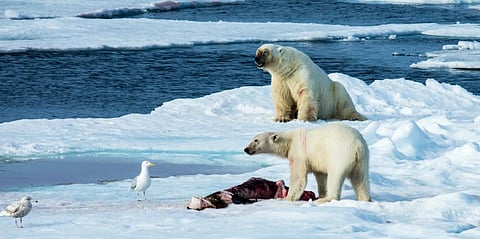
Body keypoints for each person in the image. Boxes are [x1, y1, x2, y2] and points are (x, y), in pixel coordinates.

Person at [187, 177, 316, 210]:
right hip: (257, 186)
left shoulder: (218, 197)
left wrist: (247, 203)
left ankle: (309, 195)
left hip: (259, 188)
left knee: (289, 193)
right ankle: (307, 194)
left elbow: (235, 198)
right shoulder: (214, 199)